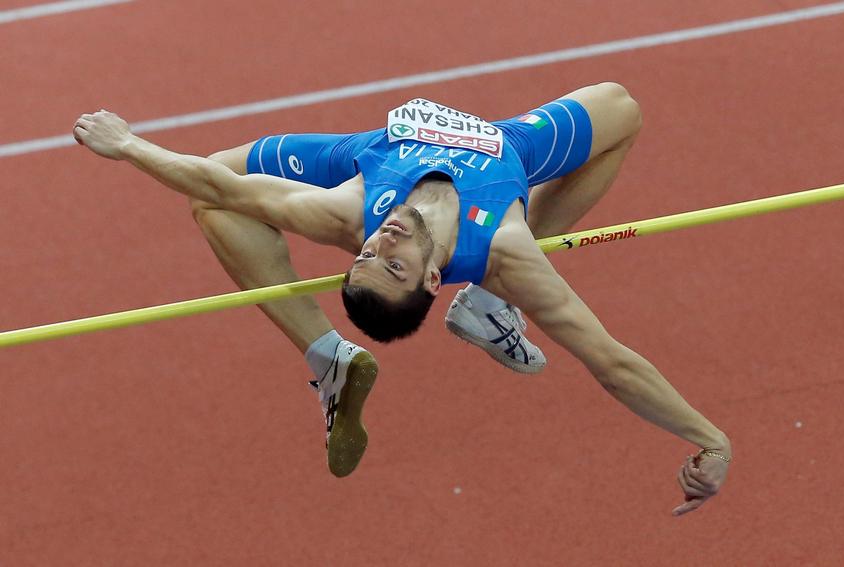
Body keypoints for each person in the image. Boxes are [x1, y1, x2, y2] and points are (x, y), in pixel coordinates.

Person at [74, 83, 731, 515]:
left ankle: (422, 328)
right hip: (504, 155)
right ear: (426, 280)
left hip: (366, 156)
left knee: (623, 106)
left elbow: (219, 182)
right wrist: (711, 440)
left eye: (369, 255)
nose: (381, 239)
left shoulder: (356, 211)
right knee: (620, 112)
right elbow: (609, 360)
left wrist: (129, 144)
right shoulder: (504, 245)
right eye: (389, 260)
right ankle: (363, 344)